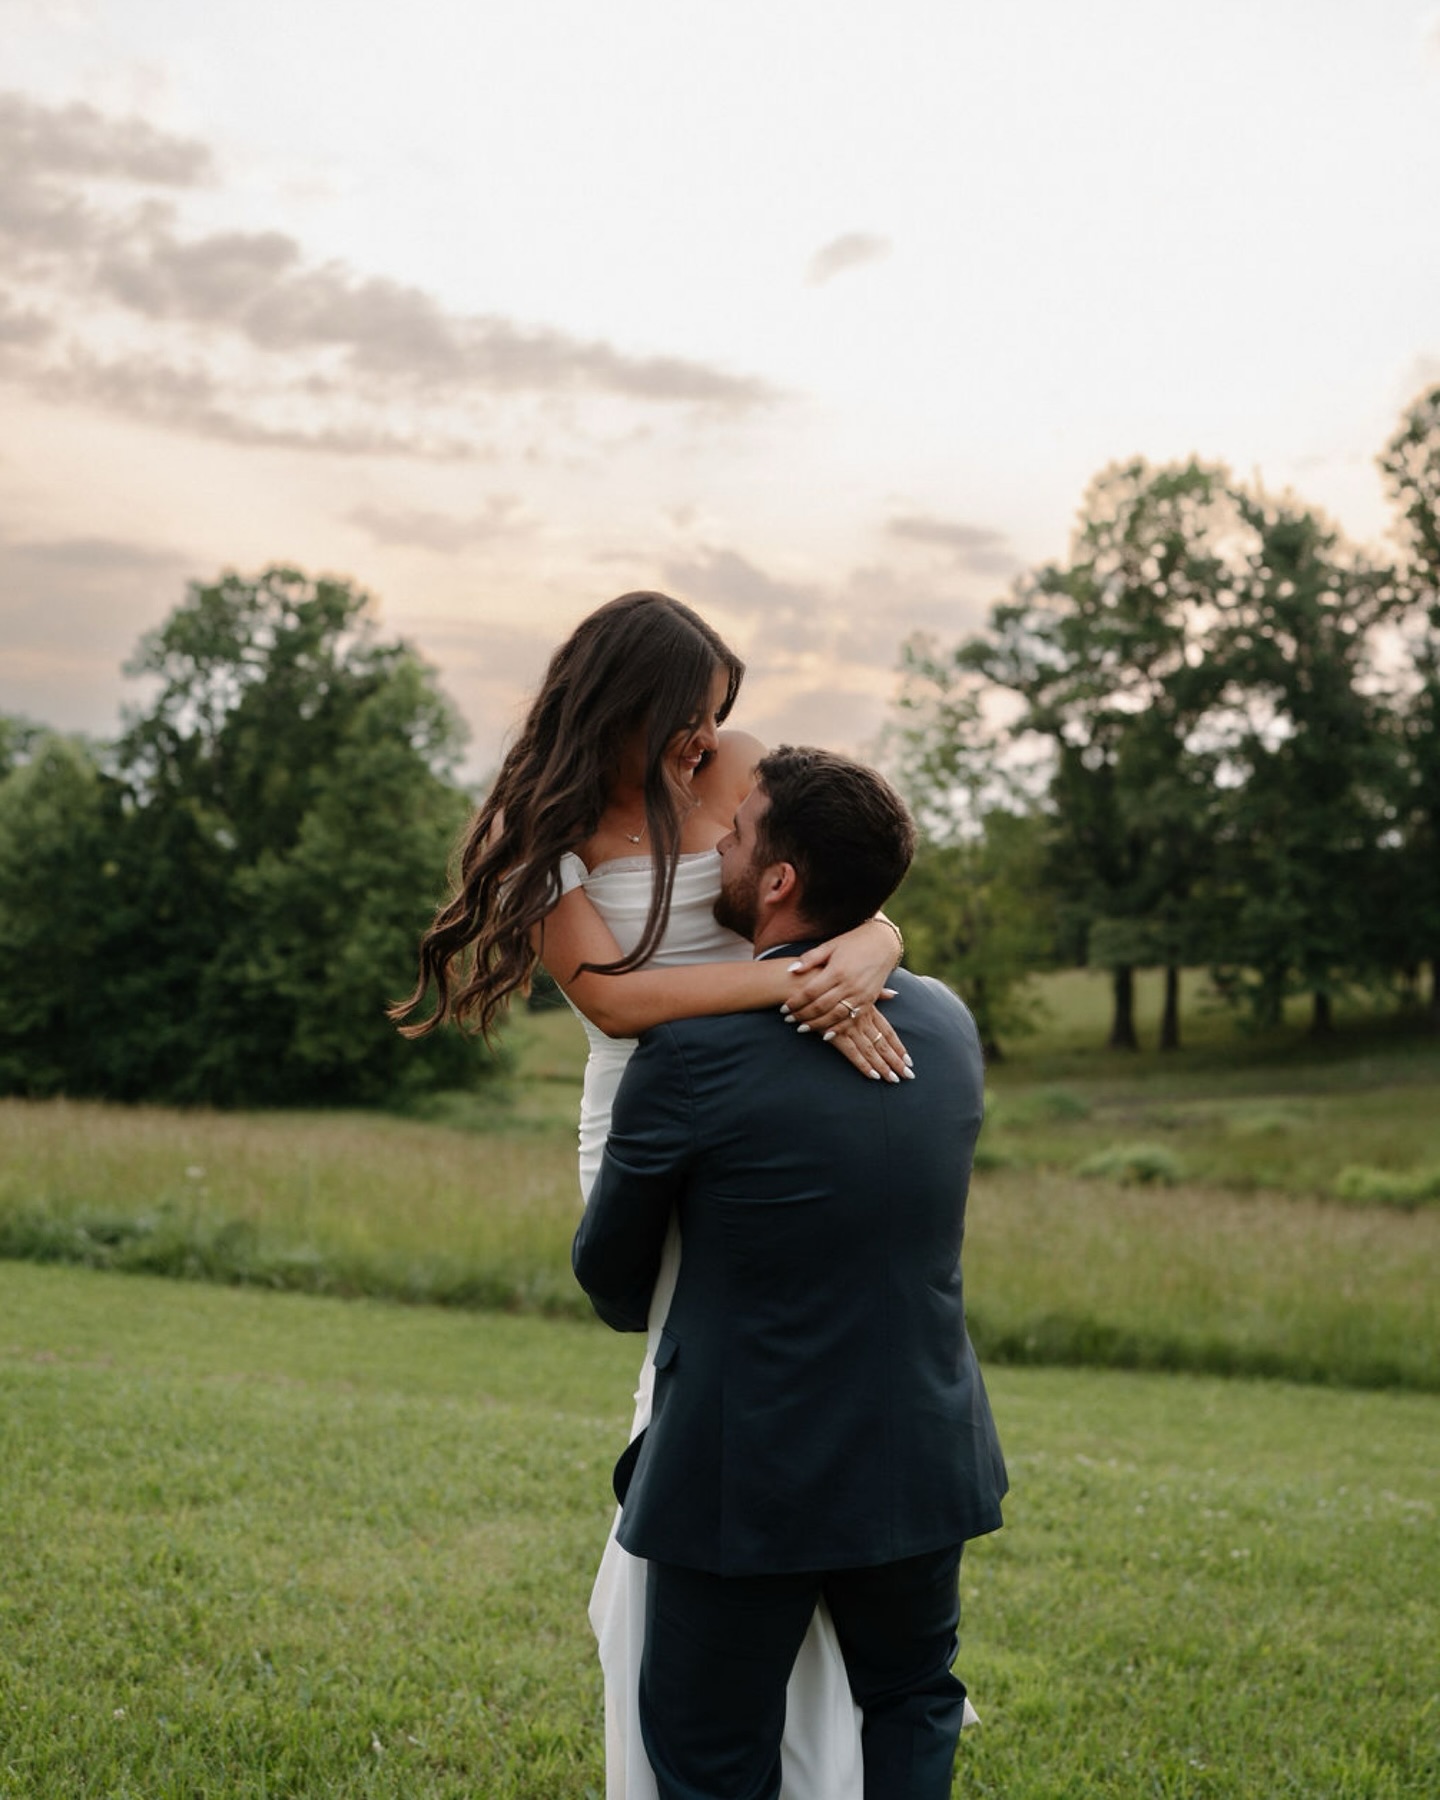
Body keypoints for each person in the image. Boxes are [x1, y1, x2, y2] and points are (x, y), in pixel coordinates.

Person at [393, 593, 913, 1800]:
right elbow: (616, 1002)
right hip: (649, 1126)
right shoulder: (539, 827)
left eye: (720, 714)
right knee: (694, 1394)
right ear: (624, 703)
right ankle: (688, 1683)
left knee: (792, 1379)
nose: (708, 739)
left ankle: (812, 1704)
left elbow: (828, 878)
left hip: (780, 1109)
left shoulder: (733, 768)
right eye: (690, 715)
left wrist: (875, 942)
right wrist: (795, 984)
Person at [572, 746, 1008, 1800]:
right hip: (923, 1450)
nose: (715, 844)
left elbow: (613, 1276)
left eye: (736, 834)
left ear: (777, 880)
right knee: (912, 1705)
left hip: (745, 1473)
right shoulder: (947, 1025)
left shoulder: (690, 1056)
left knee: (711, 1757)